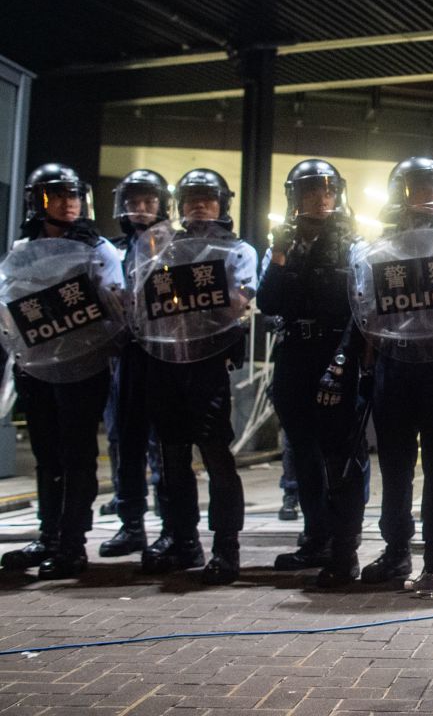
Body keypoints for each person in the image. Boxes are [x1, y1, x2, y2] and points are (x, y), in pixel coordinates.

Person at [358, 157, 433, 587]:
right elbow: (366, 309)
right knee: (395, 465)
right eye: (418, 188)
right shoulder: (379, 247)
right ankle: (395, 551)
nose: (429, 197)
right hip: (395, 363)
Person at [0, 164, 122, 579]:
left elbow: (117, 307)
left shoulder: (98, 248)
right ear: (39, 201)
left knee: (77, 456)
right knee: (46, 456)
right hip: (36, 366)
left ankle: (71, 544)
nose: (70, 204)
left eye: (74, 196)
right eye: (59, 196)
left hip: (82, 367)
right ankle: (48, 536)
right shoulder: (21, 249)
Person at [136, 168, 254, 584]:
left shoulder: (238, 250)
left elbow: (237, 304)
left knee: (216, 456)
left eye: (208, 197)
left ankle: (227, 548)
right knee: (171, 457)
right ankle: (182, 539)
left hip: (208, 364)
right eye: (191, 198)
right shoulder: (158, 248)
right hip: (166, 360)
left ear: (223, 203)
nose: (200, 205)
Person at [259, 158, 371, 587]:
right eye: (311, 192)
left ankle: (345, 552)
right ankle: (316, 538)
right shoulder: (282, 246)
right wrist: (282, 254)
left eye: (327, 191)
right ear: (295, 198)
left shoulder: (353, 244)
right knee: (303, 454)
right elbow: (268, 302)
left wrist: (344, 362)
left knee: (342, 456)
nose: (321, 200)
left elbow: (360, 310)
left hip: (335, 352)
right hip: (294, 356)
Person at [98, 169, 169, 559]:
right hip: (127, 355)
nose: (141, 211)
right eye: (133, 204)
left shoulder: (176, 248)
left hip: (165, 355)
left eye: (148, 203)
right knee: (127, 440)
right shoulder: (111, 251)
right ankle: (132, 524)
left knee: (165, 442)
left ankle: (169, 525)